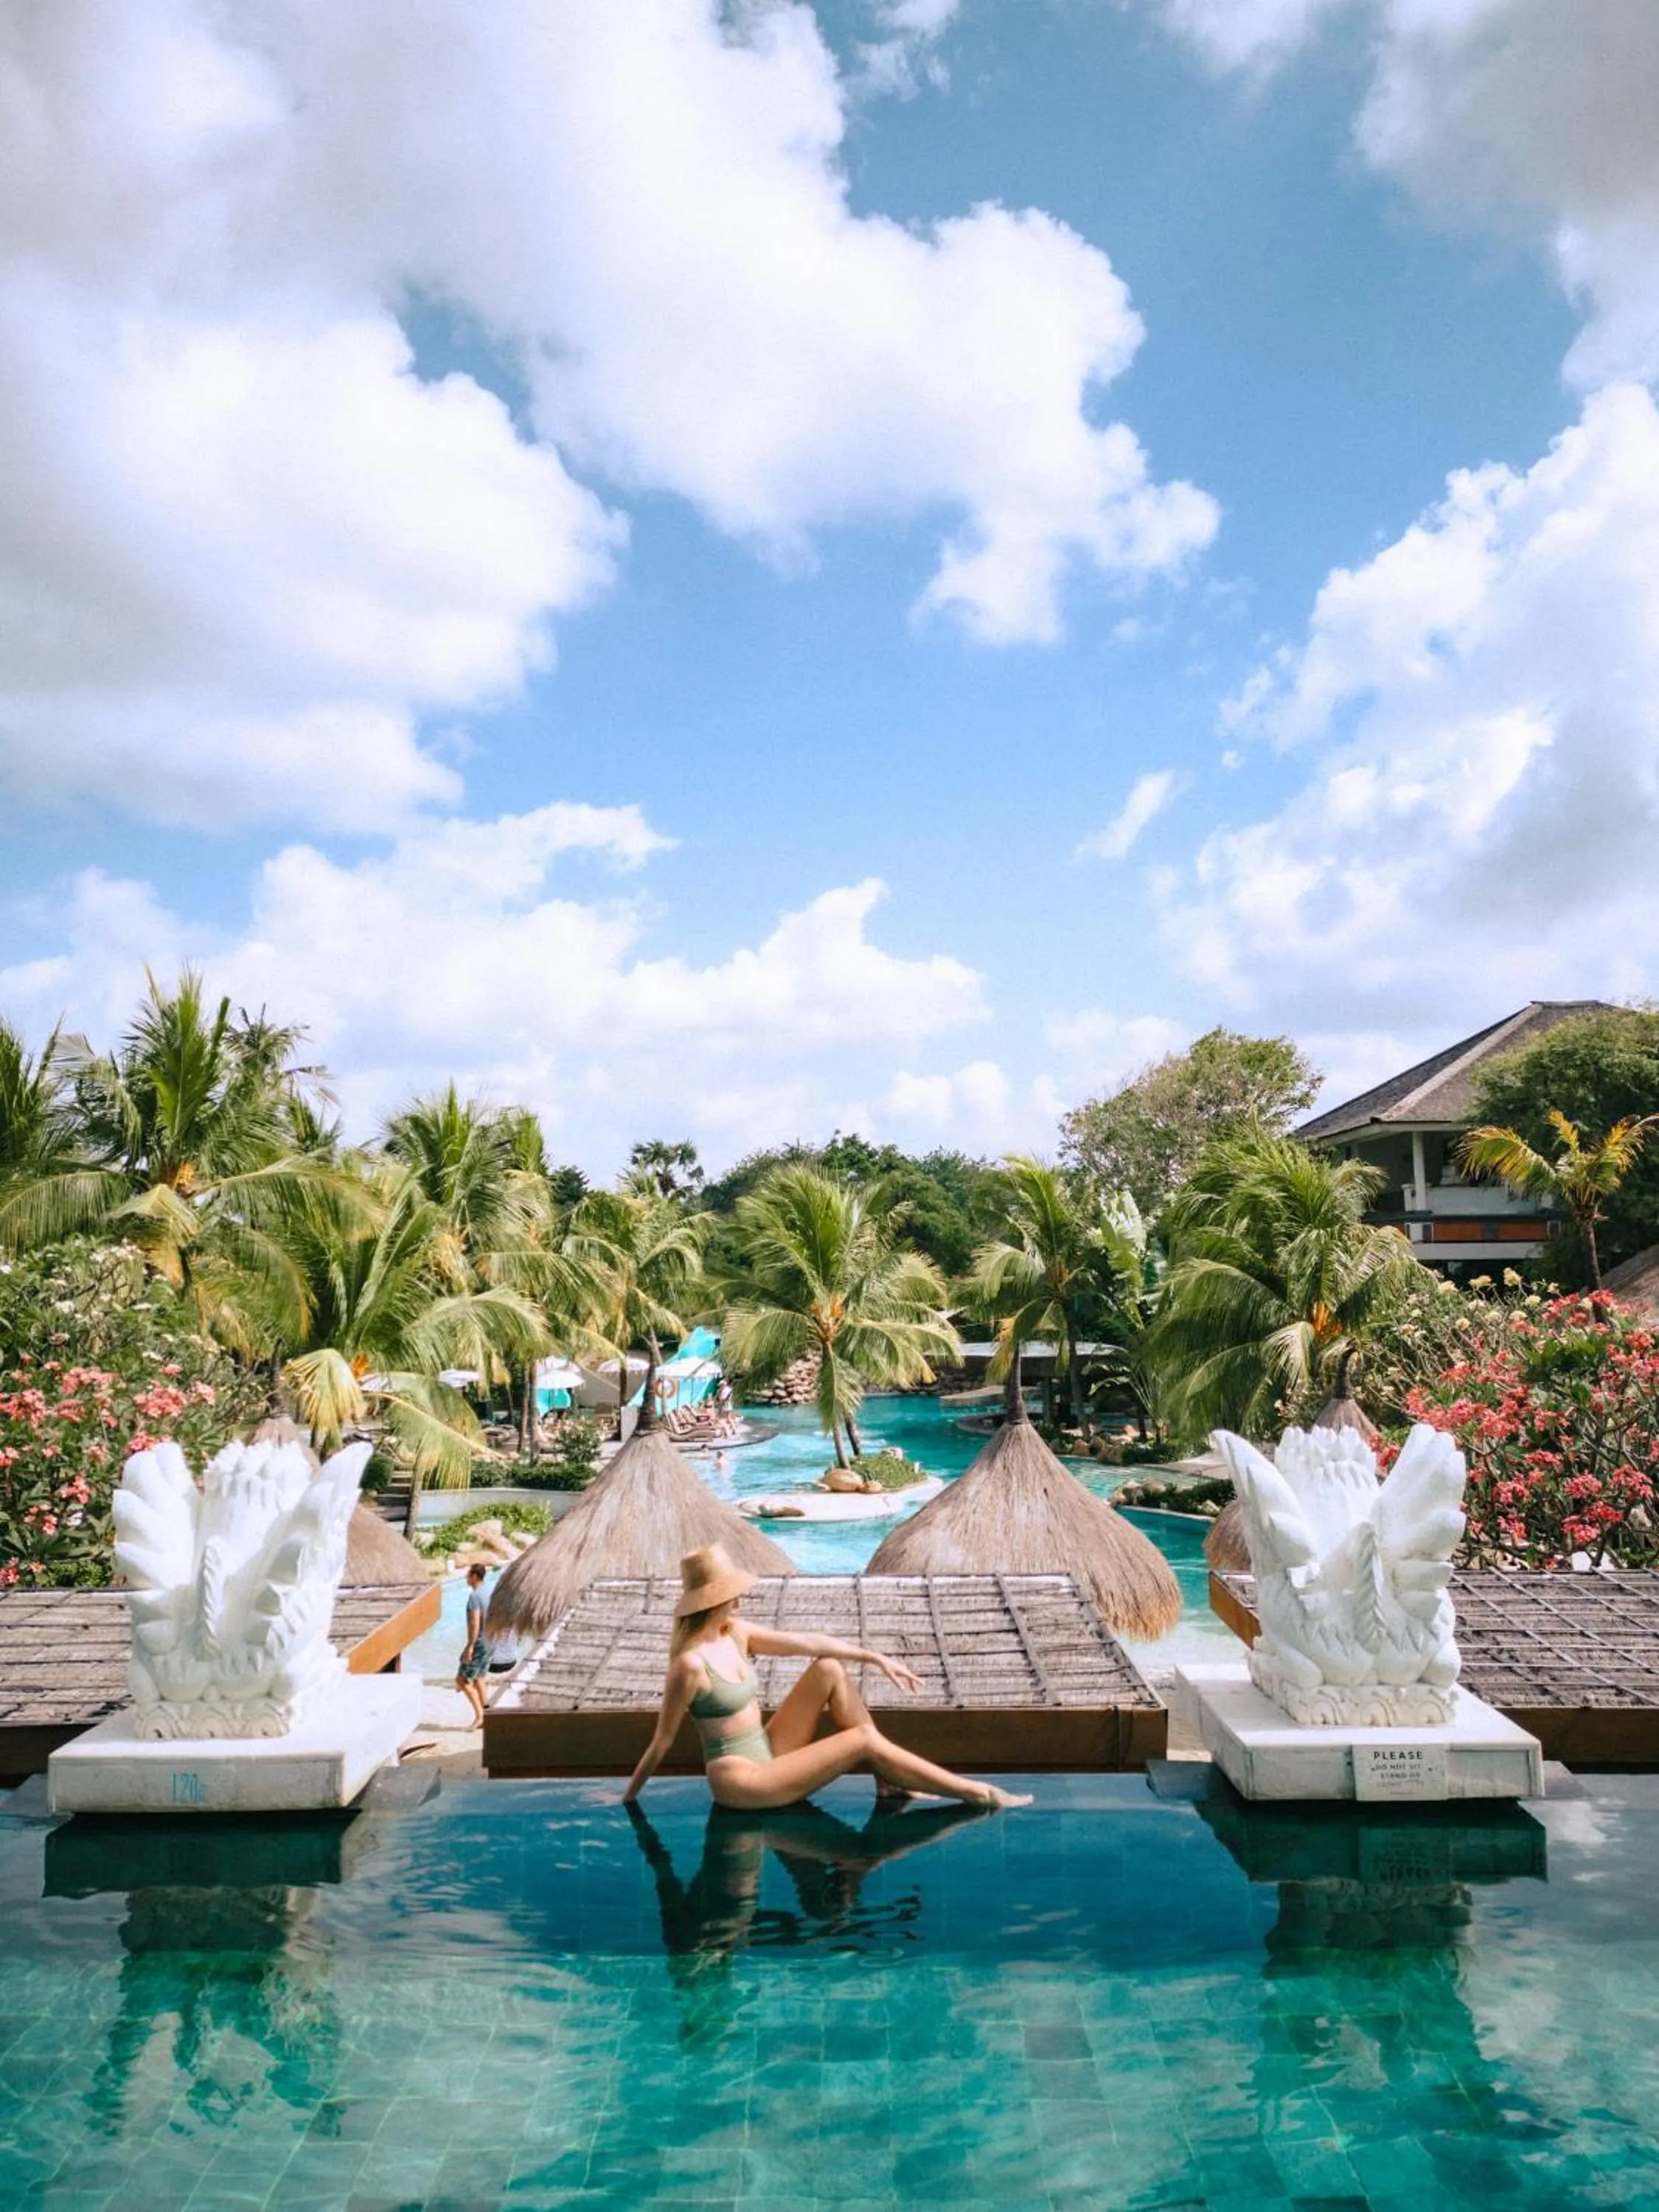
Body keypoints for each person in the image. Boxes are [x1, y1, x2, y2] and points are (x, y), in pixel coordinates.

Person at [622, 1543, 1031, 1812]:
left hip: (767, 1750)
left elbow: (805, 1641)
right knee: (863, 1741)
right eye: (732, 1592)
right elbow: (662, 1741)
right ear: (711, 1601)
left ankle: (889, 1783)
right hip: (740, 1781)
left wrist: (873, 1657)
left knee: (828, 1669)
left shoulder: (737, 1633)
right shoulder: (690, 1665)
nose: (740, 1596)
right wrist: (628, 1798)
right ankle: (978, 1794)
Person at [455, 1563, 491, 1728]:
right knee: (479, 1679)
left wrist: (470, 1646)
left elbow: (474, 1622)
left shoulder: (475, 1597)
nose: (466, 1578)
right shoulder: (490, 1593)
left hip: (479, 1643)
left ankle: (480, 1717)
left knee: (462, 1680)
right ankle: (489, 1716)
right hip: (490, 1641)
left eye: (468, 1575)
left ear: (475, 1576)